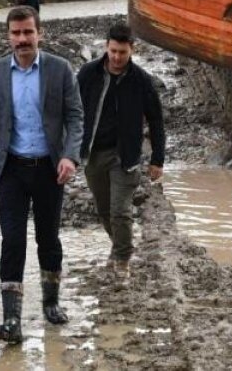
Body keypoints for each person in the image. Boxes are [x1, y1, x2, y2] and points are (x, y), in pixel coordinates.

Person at [0, 6, 82, 344]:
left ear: (40, 33)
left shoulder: (59, 69)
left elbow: (75, 117)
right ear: (7, 36)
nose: (22, 39)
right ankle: (12, 321)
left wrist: (70, 156)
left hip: (50, 170)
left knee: (48, 239)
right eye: (16, 33)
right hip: (11, 169)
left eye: (28, 32)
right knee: (12, 240)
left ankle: (51, 303)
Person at [77, 23, 165, 278]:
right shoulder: (88, 74)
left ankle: (123, 261)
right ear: (106, 47)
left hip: (125, 156)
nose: (117, 57)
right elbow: (72, 109)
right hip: (94, 153)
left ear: (132, 50)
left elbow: (156, 120)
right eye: (113, 51)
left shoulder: (141, 81)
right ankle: (119, 246)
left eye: (122, 52)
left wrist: (157, 159)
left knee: (120, 211)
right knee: (104, 210)